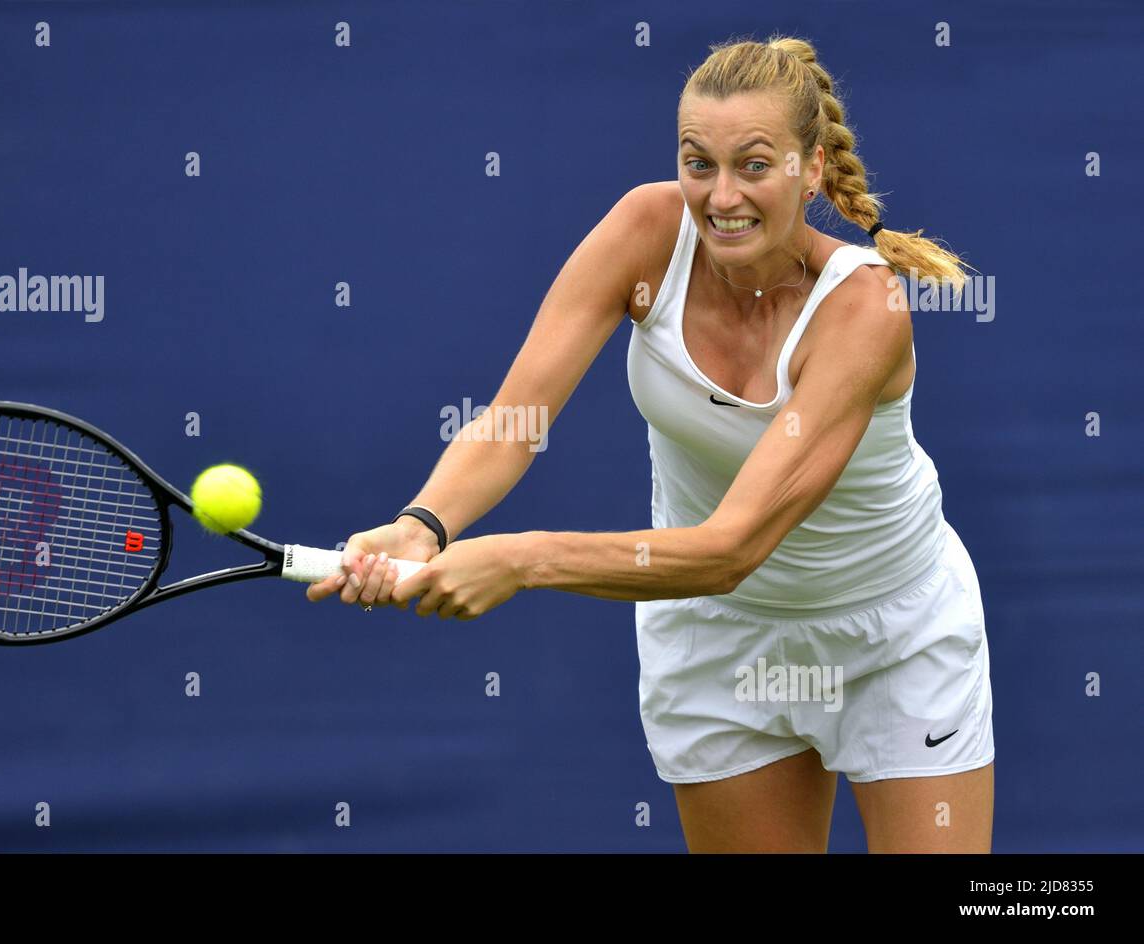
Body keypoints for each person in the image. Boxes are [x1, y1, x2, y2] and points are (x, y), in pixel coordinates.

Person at [306, 34, 994, 853]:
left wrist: (522, 560)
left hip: (896, 639)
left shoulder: (862, 310)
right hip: (717, 636)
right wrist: (424, 524)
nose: (721, 195)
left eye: (754, 165)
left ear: (811, 171)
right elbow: (514, 419)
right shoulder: (644, 229)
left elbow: (732, 546)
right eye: (698, 163)